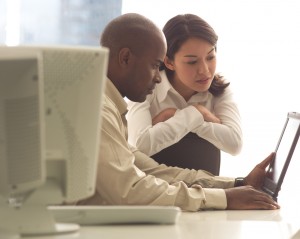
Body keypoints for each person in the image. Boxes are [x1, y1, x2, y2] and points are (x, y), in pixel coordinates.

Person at [76, 13, 279, 211]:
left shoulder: (108, 107)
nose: (158, 78)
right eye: (155, 66)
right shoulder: (99, 111)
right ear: (126, 58)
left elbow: (155, 172)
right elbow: (132, 190)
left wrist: (237, 184)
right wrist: (223, 198)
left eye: (210, 57)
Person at [126, 14, 242, 173]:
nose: (205, 70)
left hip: (205, 190)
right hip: (155, 189)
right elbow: (139, 146)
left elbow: (235, 144)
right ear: (169, 62)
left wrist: (179, 116)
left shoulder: (219, 89)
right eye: (192, 62)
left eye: (210, 57)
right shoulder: (146, 88)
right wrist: (199, 115)